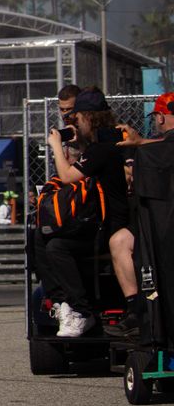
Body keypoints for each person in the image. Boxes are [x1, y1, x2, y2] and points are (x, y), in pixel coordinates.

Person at [39, 88, 128, 337]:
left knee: (56, 247)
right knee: (40, 234)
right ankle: (61, 303)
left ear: (88, 117)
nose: (72, 122)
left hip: (109, 226)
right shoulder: (99, 145)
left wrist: (56, 145)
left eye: (76, 117)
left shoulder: (103, 148)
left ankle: (81, 310)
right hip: (95, 219)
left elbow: (68, 176)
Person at [101, 91, 174, 337]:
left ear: (160, 118)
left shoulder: (150, 149)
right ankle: (135, 311)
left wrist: (141, 144)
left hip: (161, 224)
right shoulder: (149, 147)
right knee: (120, 240)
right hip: (156, 222)